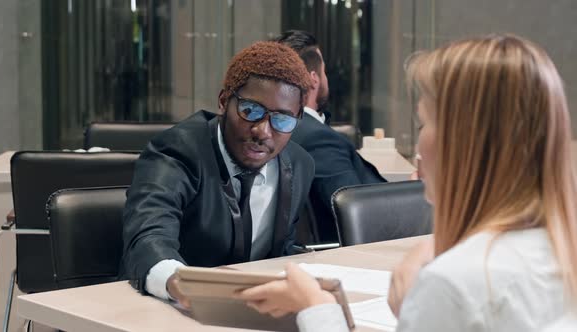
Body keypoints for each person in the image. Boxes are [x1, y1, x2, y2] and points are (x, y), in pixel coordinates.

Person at [237, 34, 577, 331]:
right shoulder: (561, 253)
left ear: (464, 143)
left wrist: (315, 307)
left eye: (423, 124)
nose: (419, 143)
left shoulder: (456, 283)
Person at [120, 41, 315, 303]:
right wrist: (181, 283)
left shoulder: (299, 165)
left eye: (282, 119)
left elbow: (282, 250)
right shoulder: (176, 151)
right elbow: (149, 235)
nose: (263, 131)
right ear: (224, 102)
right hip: (168, 307)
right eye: (250, 111)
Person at [275, 30, 386, 242]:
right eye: (323, 70)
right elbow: (361, 212)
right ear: (314, 79)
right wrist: (411, 194)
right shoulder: (317, 139)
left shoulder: (283, 130)